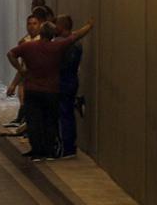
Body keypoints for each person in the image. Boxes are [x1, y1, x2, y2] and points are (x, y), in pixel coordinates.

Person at [8, 18, 95, 161]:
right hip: (51, 90)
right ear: (52, 34)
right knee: (50, 121)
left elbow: (11, 54)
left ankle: (37, 151)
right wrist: (89, 26)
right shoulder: (57, 47)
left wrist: (21, 70)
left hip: (32, 89)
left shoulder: (28, 46)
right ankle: (49, 151)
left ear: (41, 33)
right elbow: (75, 36)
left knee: (34, 121)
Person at [4, 13, 44, 134]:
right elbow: (22, 66)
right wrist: (14, 84)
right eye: (29, 24)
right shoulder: (24, 42)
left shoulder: (44, 41)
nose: (32, 26)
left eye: (35, 23)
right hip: (29, 82)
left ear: (40, 25)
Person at [55, 15, 84, 158]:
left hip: (64, 81)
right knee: (67, 113)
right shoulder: (76, 43)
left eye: (57, 25)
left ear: (62, 26)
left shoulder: (64, 44)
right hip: (71, 80)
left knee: (64, 113)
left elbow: (62, 64)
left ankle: (66, 146)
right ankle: (69, 145)